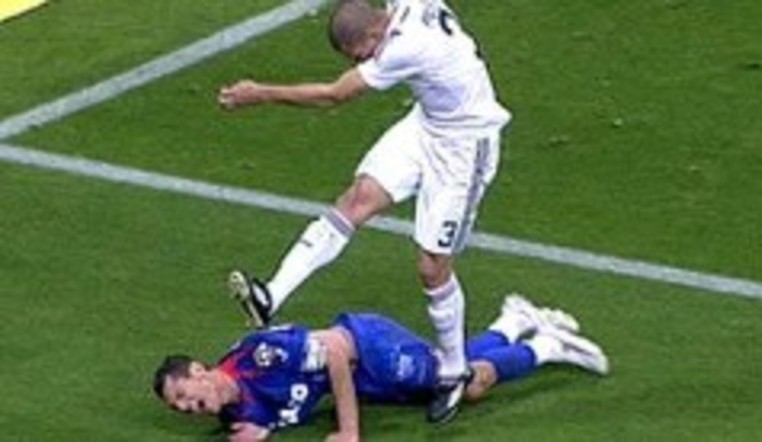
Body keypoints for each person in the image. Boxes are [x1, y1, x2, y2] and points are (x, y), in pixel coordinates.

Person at [217, 0, 512, 423]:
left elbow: (335, 94)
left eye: (359, 55)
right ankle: (271, 295)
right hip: (426, 124)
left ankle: (452, 371)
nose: (361, 63)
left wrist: (259, 93)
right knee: (356, 200)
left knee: (432, 267)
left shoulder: (405, 47)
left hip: (465, 145)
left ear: (374, 36)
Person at [153, 294, 610, 442]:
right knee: (449, 375)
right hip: (364, 380)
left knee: (464, 385)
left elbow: (335, 350)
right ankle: (513, 321)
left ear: (199, 370)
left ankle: (547, 347)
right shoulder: (237, 415)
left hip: (370, 348)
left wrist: (349, 432)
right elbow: (284, 404)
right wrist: (264, 430)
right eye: (180, 408)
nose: (189, 408)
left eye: (184, 395)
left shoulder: (259, 357)